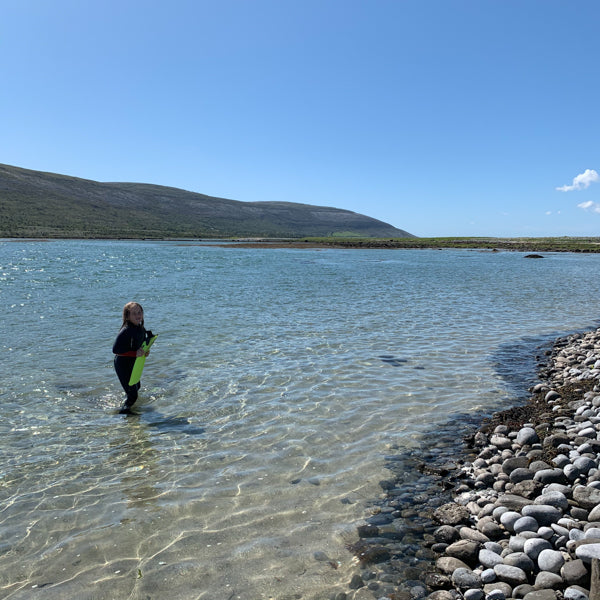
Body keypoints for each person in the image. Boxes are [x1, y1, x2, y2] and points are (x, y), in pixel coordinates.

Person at [112, 302, 153, 414]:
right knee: (133, 395)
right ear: (127, 316)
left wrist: (144, 351)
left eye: (139, 312)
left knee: (137, 386)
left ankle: (127, 408)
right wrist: (135, 354)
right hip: (122, 364)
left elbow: (139, 346)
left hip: (133, 363)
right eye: (134, 313)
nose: (138, 315)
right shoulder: (126, 330)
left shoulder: (140, 329)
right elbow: (115, 350)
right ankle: (125, 415)